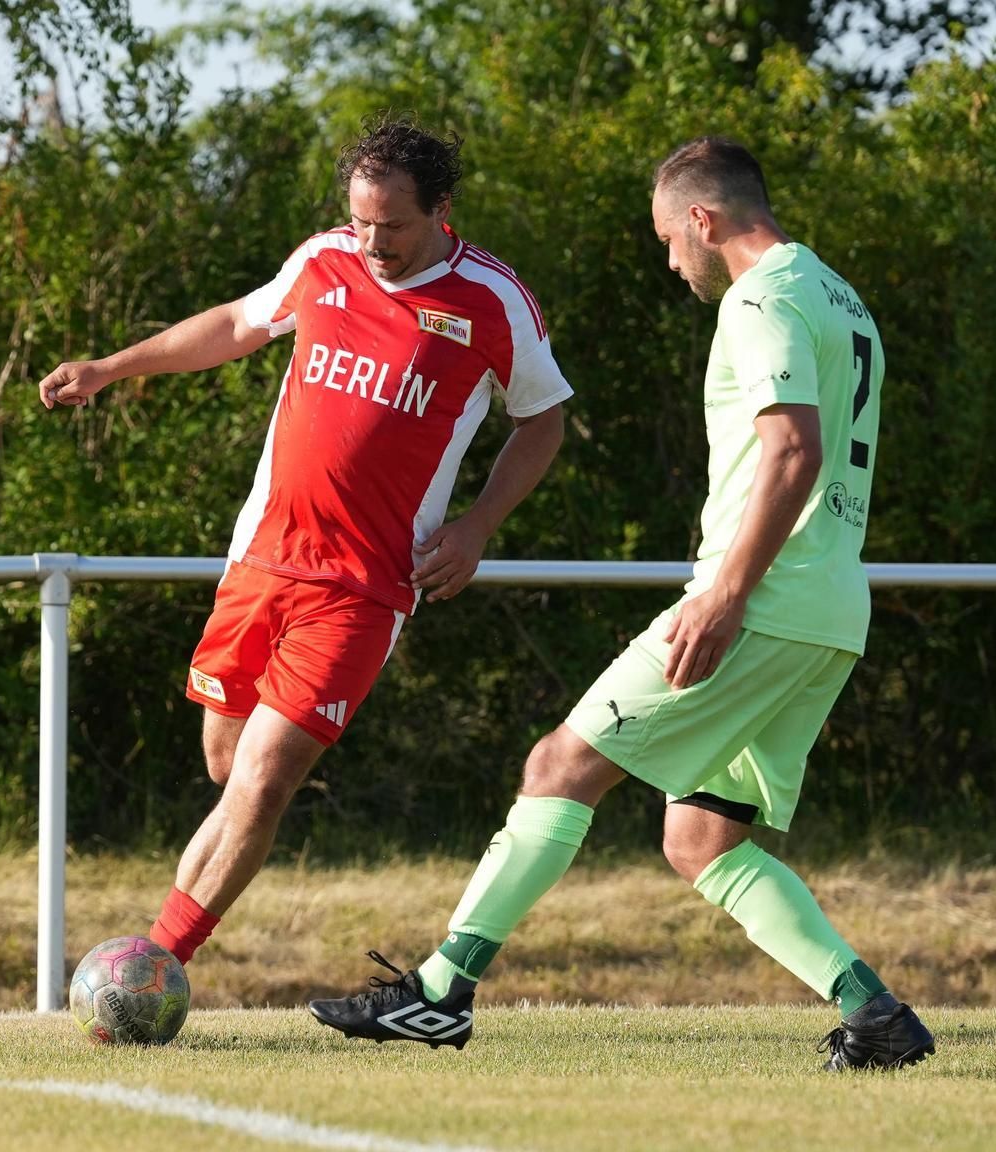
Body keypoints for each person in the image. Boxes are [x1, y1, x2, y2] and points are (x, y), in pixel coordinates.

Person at [309, 136, 936, 1072]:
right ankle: (874, 1015)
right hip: (831, 611)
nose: (670, 260)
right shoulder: (838, 295)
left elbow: (793, 450)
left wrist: (724, 593)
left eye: (666, 240)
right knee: (700, 837)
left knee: (559, 765)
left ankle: (442, 993)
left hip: (759, 604)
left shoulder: (760, 299)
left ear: (703, 219)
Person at [36, 117, 572, 973]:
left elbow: (543, 419)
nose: (373, 242)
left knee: (264, 781)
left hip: (364, 586)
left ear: (440, 210)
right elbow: (235, 325)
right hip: (260, 559)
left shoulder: (492, 299)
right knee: (228, 763)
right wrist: (111, 367)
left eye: (392, 225)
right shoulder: (325, 261)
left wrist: (475, 527)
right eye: (360, 221)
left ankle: (151, 969)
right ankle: (157, 954)